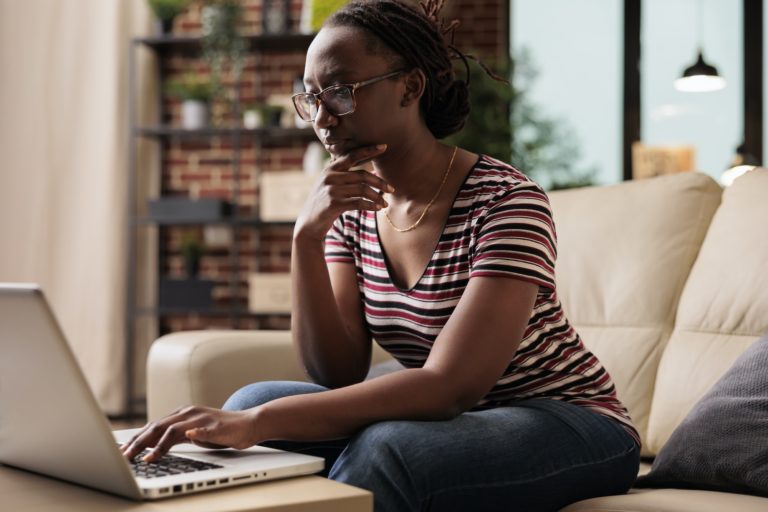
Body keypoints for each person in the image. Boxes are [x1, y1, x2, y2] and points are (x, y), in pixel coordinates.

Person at [123, 1, 641, 510]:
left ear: (410, 88)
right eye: (312, 97)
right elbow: (337, 369)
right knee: (250, 400)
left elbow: (448, 388)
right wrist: (306, 239)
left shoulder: (507, 201)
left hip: (569, 421)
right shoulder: (350, 208)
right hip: (458, 420)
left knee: (384, 448)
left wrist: (261, 426)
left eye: (343, 92)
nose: (323, 117)